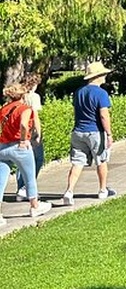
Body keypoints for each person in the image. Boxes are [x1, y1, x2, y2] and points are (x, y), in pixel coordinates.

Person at [61, 61, 116, 205]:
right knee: (101, 160)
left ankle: (69, 191)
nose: (105, 76)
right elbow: (104, 115)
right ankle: (103, 189)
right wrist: (109, 134)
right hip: (95, 131)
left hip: (78, 131)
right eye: (103, 74)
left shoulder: (79, 92)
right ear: (98, 76)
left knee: (77, 162)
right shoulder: (101, 93)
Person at [0, 83, 52, 223]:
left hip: (3, 147)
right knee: (29, 177)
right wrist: (23, 139)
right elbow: (23, 124)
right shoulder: (25, 109)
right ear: (23, 95)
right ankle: (35, 206)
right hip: (19, 147)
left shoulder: (4, 109)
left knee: (1, 180)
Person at [15, 73, 44, 201]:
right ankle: (27, 188)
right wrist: (39, 133)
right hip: (30, 132)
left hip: (18, 132)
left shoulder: (19, 96)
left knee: (21, 161)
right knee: (37, 159)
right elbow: (35, 116)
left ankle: (21, 188)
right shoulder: (34, 97)